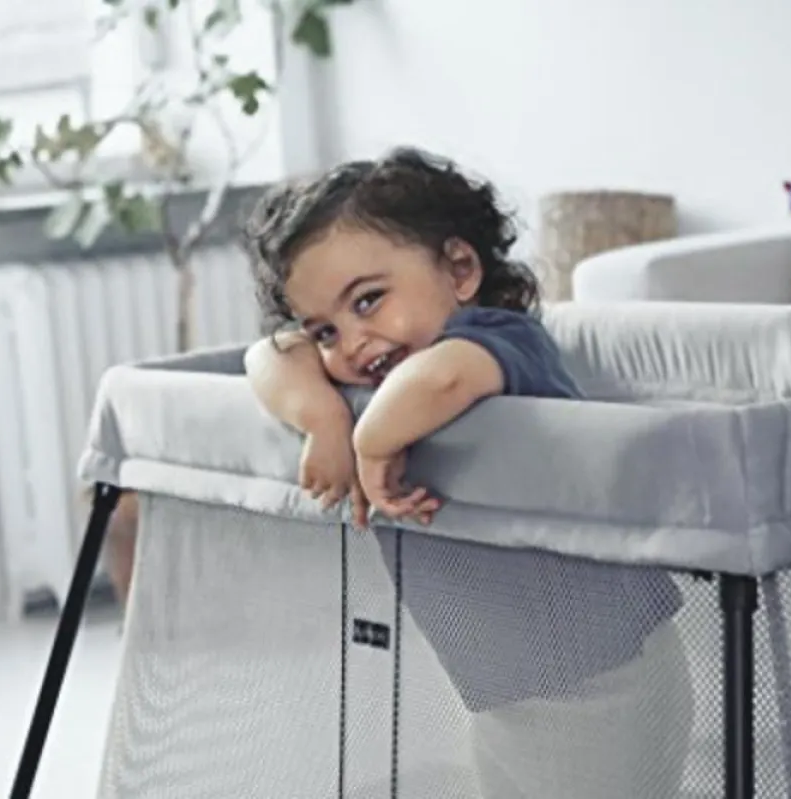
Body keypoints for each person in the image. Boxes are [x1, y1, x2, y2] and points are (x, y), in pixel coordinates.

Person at [240, 146, 695, 797]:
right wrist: (323, 419)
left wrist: (368, 441)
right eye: (327, 332)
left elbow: (444, 378)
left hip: (608, 678)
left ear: (460, 270)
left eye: (368, 301)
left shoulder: (503, 339)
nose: (352, 342)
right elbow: (268, 353)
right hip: (507, 686)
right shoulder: (375, 376)